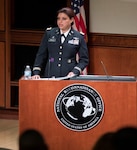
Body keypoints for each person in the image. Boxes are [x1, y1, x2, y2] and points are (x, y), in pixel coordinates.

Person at [32, 7, 89, 79]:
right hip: (51, 74)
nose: (60, 21)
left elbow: (84, 59)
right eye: (58, 18)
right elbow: (41, 55)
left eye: (64, 19)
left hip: (69, 75)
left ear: (71, 20)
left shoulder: (78, 36)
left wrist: (75, 71)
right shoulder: (50, 33)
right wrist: (36, 72)